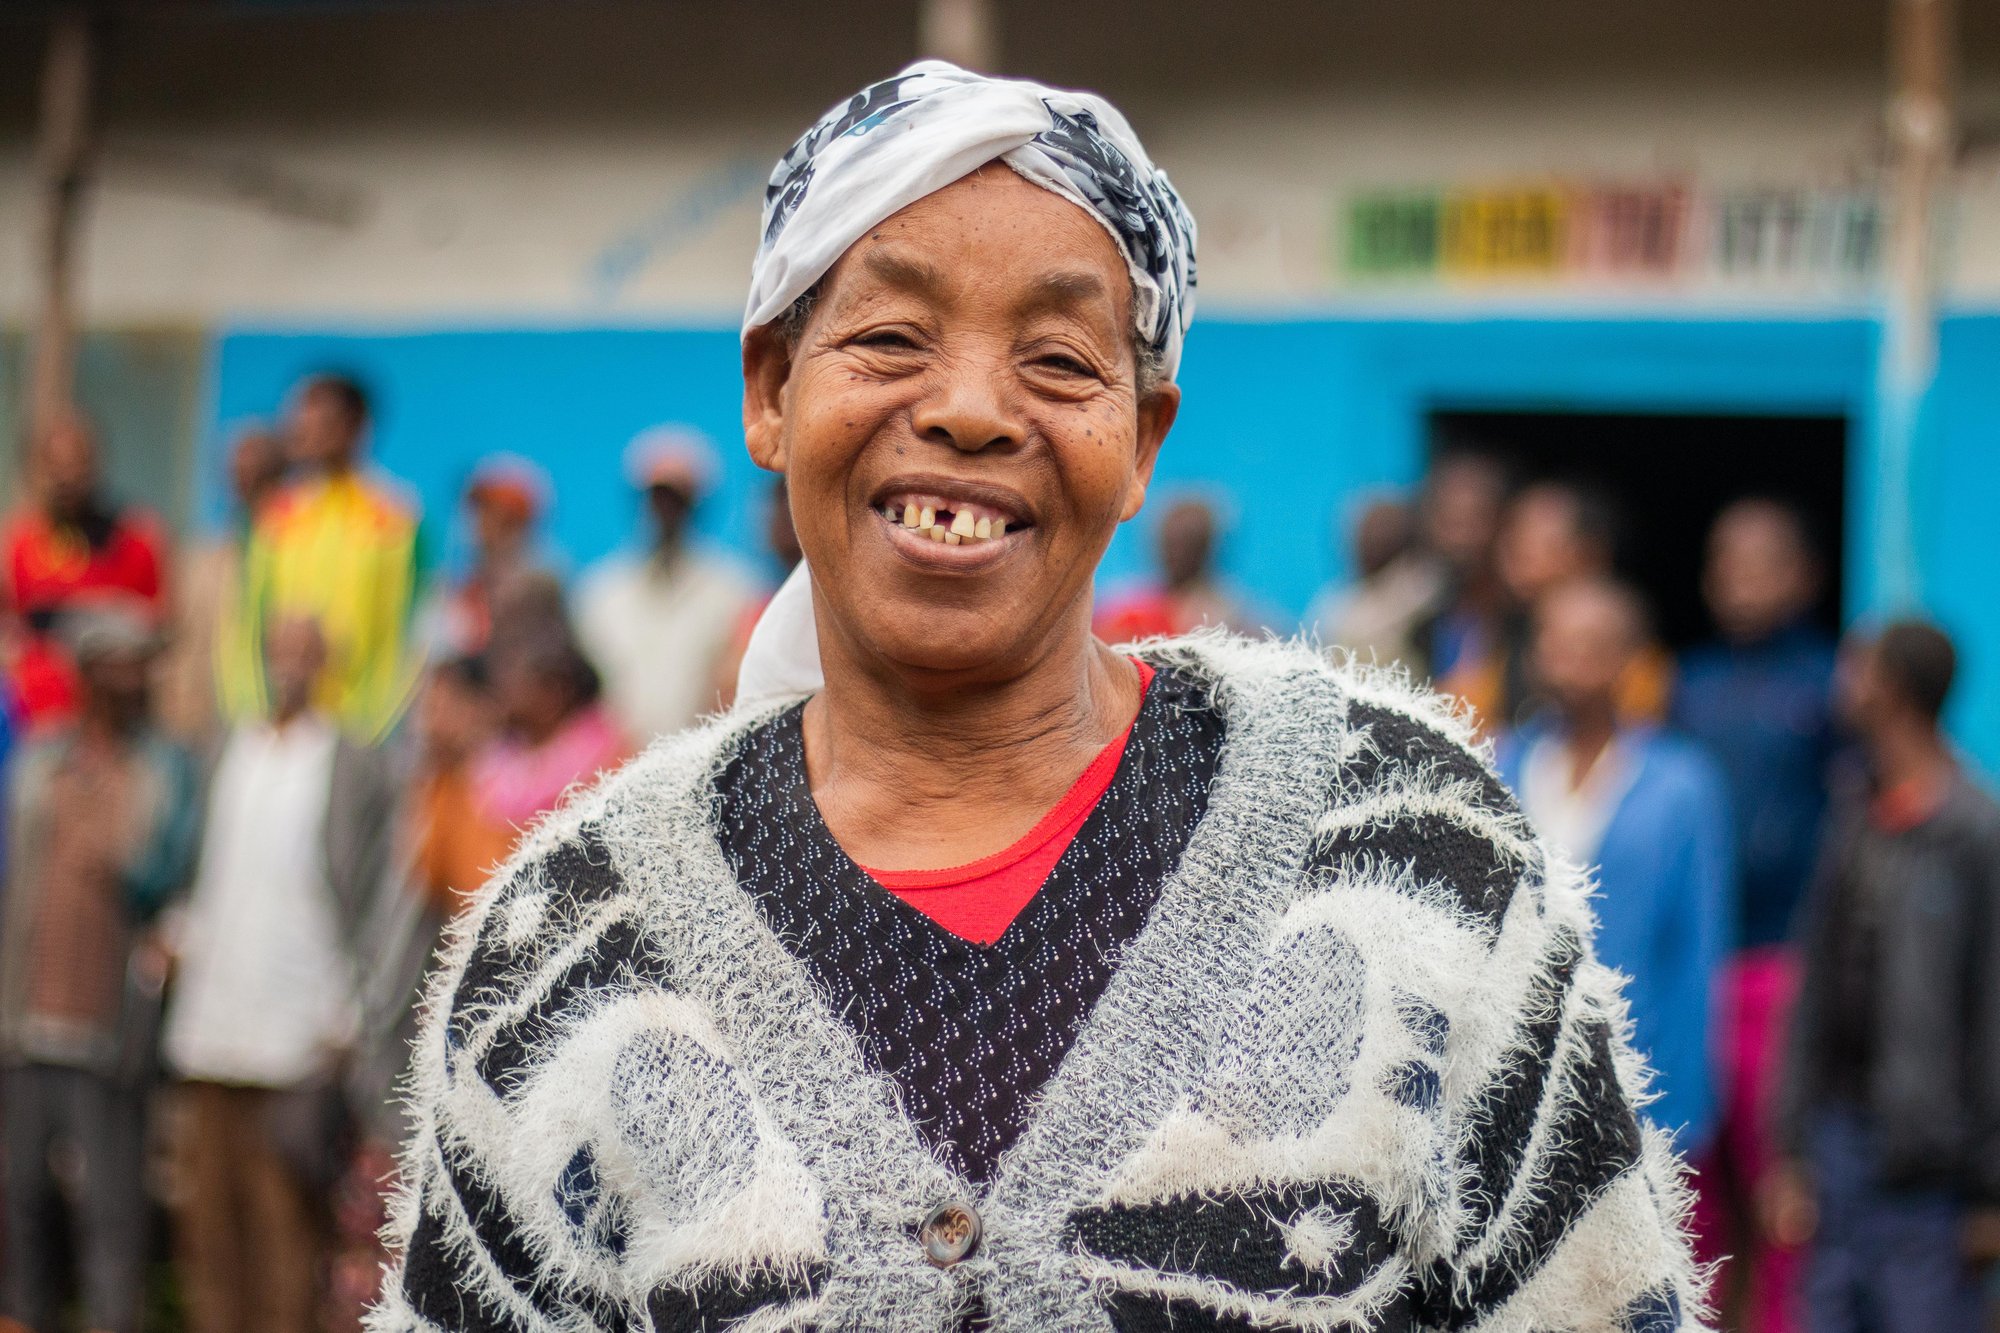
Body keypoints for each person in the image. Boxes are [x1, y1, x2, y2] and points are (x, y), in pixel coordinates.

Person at [372, 62, 1703, 1332]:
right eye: (889, 336)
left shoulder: (1409, 852)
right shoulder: (572, 951)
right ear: (772, 391)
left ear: (1143, 440)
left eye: (1061, 362)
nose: (967, 411)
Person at [163, 614, 399, 1333]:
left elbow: (370, 896)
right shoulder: (228, 749)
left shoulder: (346, 761)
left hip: (297, 1035)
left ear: (326, 664)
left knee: (284, 1233)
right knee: (208, 1228)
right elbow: (201, 870)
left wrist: (349, 1019)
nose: (290, 666)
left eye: (306, 653)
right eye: (281, 650)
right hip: (212, 1024)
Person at [1769, 619, 2000, 1332]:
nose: (1844, 683)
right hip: (1840, 1150)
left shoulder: (1973, 830)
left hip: (1932, 1173)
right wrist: (1793, 1145)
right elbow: (1816, 989)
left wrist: (1992, 1190)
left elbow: (1994, 1011)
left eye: (1858, 668)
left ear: (1893, 687)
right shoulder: (1854, 810)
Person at [0, 604, 201, 1333]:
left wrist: (113, 853)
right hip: (26, 1023)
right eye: (122, 661)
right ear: (88, 673)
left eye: (145, 662)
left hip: (109, 1030)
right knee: (22, 1207)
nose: (138, 677)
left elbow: (166, 877)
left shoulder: (164, 768)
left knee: (110, 1218)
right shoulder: (38, 760)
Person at [1672, 498, 1838, 1332]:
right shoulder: (1684, 686)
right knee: (1689, 1188)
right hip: (1695, 968)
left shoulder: (1829, 690)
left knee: (1778, 1184)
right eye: (1725, 560)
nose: (1739, 579)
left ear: (1804, 576)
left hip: (1782, 965)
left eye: (1762, 561)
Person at [1496, 579, 1735, 1158]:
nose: (1577, 659)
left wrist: (1682, 1103)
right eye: (1561, 642)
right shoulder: (1500, 766)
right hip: (1507, 1072)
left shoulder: (1681, 784)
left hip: (1634, 1069)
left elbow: (1699, 945)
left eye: (1596, 643)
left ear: (1630, 658)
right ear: (1535, 653)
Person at [218, 373, 424, 742]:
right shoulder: (276, 514)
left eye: (320, 420)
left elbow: (406, 633)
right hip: (277, 726)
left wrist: (372, 729)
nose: (303, 429)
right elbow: (247, 623)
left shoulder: (395, 517)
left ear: (355, 427)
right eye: (300, 418)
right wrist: (251, 713)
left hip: (358, 731)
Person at [573, 426, 759, 741]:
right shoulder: (600, 592)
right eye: (657, 497)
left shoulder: (733, 591)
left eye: (677, 499)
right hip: (615, 767)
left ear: (698, 505)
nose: (665, 510)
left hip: (703, 762)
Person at [1, 411, 169, 732]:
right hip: (33, 722)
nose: (65, 476)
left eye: (75, 463)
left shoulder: (134, 538)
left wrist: (95, 613)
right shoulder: (17, 543)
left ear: (96, 464)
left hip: (112, 728)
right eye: (54, 465)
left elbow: (159, 627)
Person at [157, 426, 288, 749]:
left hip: (262, 736)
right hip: (190, 729)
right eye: (239, 473)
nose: (247, 483)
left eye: (261, 474)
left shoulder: (295, 562)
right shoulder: (198, 561)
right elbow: (173, 644)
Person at [423, 453, 553, 658]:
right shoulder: (445, 592)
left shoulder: (545, 594)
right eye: (479, 508)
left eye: (507, 516)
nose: (485, 523)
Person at [1095, 493, 1272, 639]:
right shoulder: (1126, 613)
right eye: (1171, 543)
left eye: (1190, 543)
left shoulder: (1235, 621)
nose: (1177, 553)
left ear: (1208, 548)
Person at [1304, 491, 1441, 667]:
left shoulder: (1425, 591)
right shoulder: (1334, 604)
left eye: (1386, 528)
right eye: (1369, 529)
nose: (1377, 537)